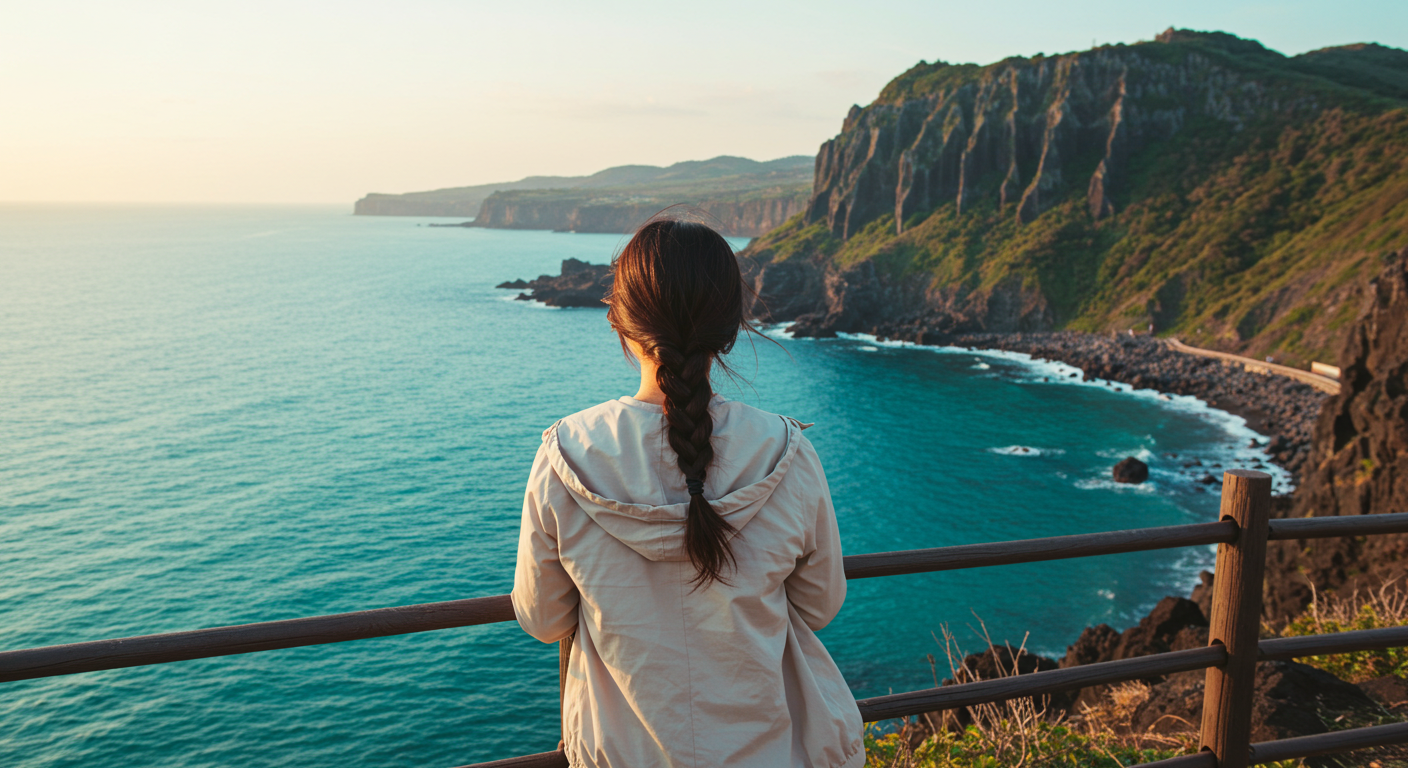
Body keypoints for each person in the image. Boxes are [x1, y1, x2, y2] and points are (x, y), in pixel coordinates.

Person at [511, 218, 864, 767]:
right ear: (731, 329)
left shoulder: (565, 456)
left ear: (620, 323)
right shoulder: (787, 452)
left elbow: (543, 619)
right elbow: (820, 605)